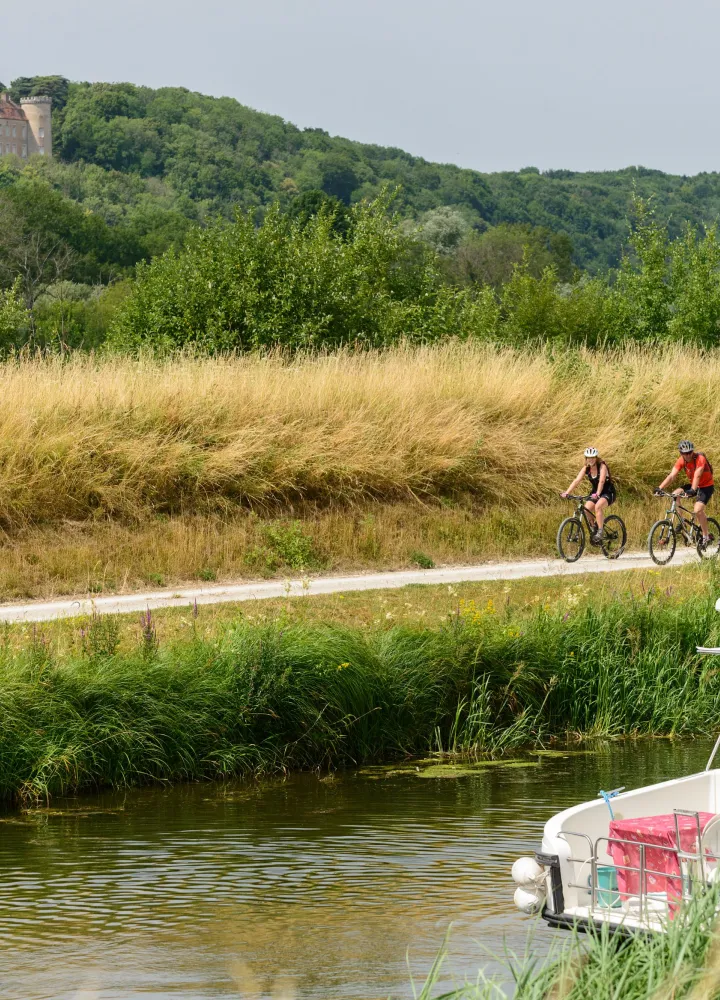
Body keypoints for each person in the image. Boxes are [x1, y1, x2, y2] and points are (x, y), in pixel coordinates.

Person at [655, 440, 714, 548]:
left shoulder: (700, 458)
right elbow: (672, 476)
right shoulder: (681, 460)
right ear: (681, 453)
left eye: (689, 452)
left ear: (693, 451)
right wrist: (660, 488)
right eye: (684, 453)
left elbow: (697, 475)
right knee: (675, 494)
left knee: (698, 510)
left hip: (706, 486)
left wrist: (692, 490)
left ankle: (706, 536)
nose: (687, 455)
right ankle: (682, 522)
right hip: (694, 485)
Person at [561, 447, 616, 542]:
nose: (590, 460)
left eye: (592, 457)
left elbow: (602, 481)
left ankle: (600, 531)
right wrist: (567, 492)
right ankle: (594, 527)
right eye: (588, 458)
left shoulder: (602, 466)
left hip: (608, 492)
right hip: (595, 493)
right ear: (586, 458)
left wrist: (598, 493)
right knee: (586, 509)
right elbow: (576, 480)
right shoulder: (586, 468)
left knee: (598, 507)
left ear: (596, 458)